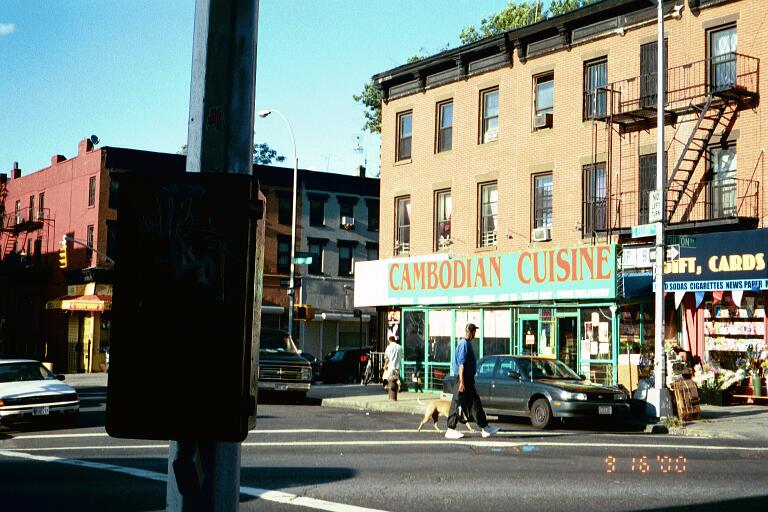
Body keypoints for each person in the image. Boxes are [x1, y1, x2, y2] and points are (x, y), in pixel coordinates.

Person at [445, 323, 500, 439]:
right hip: (463, 379)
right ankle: (450, 429)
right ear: (472, 332)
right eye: (475, 331)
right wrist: (461, 382)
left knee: (475, 403)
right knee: (457, 402)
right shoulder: (463, 344)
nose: (475, 334)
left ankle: (485, 427)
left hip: (468, 380)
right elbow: (461, 364)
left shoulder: (466, 343)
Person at [383, 336, 403, 400]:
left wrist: (385, 365)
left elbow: (386, 358)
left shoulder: (388, 347)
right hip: (398, 366)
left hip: (391, 367)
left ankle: (386, 386)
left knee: (386, 377)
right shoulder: (400, 347)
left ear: (389, 340)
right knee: (396, 377)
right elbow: (402, 357)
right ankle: (399, 384)